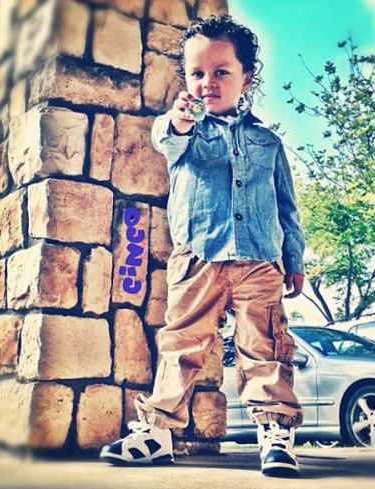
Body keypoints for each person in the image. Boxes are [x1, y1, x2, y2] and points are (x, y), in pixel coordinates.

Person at [100, 15, 305, 478]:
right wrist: (179, 121)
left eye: (220, 71)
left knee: (265, 347)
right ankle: (156, 433)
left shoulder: (268, 143)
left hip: (259, 260)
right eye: (197, 73)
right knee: (182, 344)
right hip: (197, 258)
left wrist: (293, 260)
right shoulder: (184, 133)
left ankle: (275, 434)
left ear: (246, 78)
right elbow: (166, 137)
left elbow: (286, 206)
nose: (207, 82)